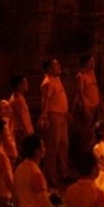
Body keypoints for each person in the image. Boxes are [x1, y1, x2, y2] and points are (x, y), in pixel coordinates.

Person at [39, 58, 70, 189]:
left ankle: (63, 174)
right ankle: (50, 178)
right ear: (48, 68)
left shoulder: (56, 80)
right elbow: (45, 102)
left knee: (63, 145)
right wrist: (45, 117)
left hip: (61, 116)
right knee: (52, 147)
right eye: (55, 65)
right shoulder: (47, 82)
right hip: (53, 116)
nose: (59, 66)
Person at [74, 54, 102, 151]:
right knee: (85, 133)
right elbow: (80, 93)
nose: (92, 63)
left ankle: (90, 152)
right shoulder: (81, 76)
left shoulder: (92, 73)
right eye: (90, 61)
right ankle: (83, 153)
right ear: (85, 63)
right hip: (87, 107)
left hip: (94, 106)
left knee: (93, 132)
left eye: (93, 61)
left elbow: (95, 88)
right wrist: (85, 108)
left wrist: (99, 102)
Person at [8, 74, 34, 149]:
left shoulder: (20, 97)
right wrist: (29, 133)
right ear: (19, 85)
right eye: (24, 82)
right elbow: (23, 118)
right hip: (21, 131)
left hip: (22, 131)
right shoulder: (17, 100)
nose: (27, 84)